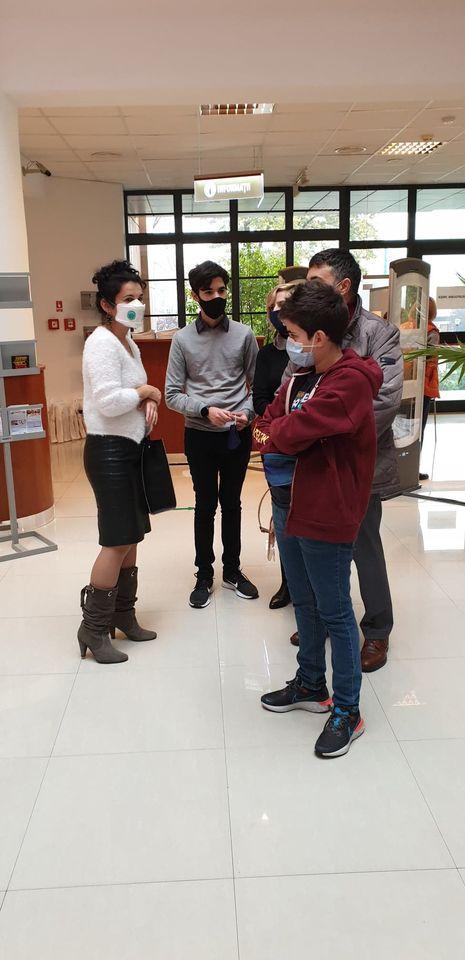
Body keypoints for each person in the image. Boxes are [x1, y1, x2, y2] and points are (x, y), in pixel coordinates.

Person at [253, 280, 382, 757]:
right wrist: (278, 433)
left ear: (319, 337)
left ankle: (348, 709)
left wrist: (280, 433)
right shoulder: (301, 378)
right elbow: (264, 427)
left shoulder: (350, 381)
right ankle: (310, 683)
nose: (288, 342)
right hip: (290, 503)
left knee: (335, 611)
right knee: (304, 602)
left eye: (292, 334)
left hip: (328, 508)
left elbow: (287, 433)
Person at [285, 250, 403, 671]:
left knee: (362, 545)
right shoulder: (306, 327)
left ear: (344, 286)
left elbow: (385, 400)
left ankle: (377, 629)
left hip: (359, 465)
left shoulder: (378, 333)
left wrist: (319, 431)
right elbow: (291, 388)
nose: (308, 288)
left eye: (316, 281)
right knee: (317, 547)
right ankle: (325, 620)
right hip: (313, 464)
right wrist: (300, 430)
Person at [78, 260, 161, 664]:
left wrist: (146, 400)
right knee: (115, 541)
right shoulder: (101, 343)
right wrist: (146, 392)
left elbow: (132, 392)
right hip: (108, 451)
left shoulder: (128, 342)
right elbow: (109, 401)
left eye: (139, 298)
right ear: (108, 305)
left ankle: (124, 615)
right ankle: (93, 628)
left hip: (129, 448)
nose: (136, 306)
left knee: (131, 536)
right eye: (128, 299)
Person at [165, 260, 259, 609]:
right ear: (195, 296)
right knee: (205, 504)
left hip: (236, 433)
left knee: (232, 503)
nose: (216, 297)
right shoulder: (182, 339)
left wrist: (247, 413)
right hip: (200, 434)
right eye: (208, 292)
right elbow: (172, 394)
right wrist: (205, 410)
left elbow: (258, 387)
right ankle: (204, 575)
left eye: (221, 290)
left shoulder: (245, 335)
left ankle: (232, 571)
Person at [253, 280, 304, 610]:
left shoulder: (313, 351)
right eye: (275, 306)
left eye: (286, 305)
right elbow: (259, 399)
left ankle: (311, 590)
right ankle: (289, 584)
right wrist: (279, 419)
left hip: (308, 445)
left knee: (308, 518)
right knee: (283, 519)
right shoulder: (267, 355)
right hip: (278, 444)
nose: (279, 311)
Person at [419, 296, 440, 481]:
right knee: (419, 428)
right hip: (423, 386)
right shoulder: (431, 331)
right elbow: (429, 360)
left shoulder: (409, 327)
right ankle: (413, 468)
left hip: (405, 383)